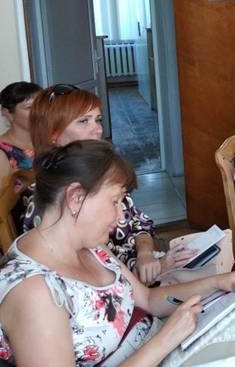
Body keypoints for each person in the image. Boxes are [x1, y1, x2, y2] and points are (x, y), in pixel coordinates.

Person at [0, 140, 235, 366]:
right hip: (159, 350)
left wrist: (218, 283)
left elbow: (148, 299)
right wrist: (166, 340)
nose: (120, 216)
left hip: (161, 346)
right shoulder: (33, 292)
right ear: (75, 198)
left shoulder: (90, 247)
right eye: (115, 201)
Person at [21, 84, 188, 285]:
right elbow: (86, 282)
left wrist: (145, 254)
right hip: (126, 290)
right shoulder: (48, 199)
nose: (98, 129)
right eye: (83, 121)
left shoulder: (102, 175)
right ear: (52, 135)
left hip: (145, 272)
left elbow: (139, 222)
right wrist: (152, 271)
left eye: (98, 119)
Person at [0, 82, 42, 187]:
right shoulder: (2, 153)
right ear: (7, 113)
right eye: (29, 107)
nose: (39, 112)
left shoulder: (51, 141)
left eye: (41, 105)